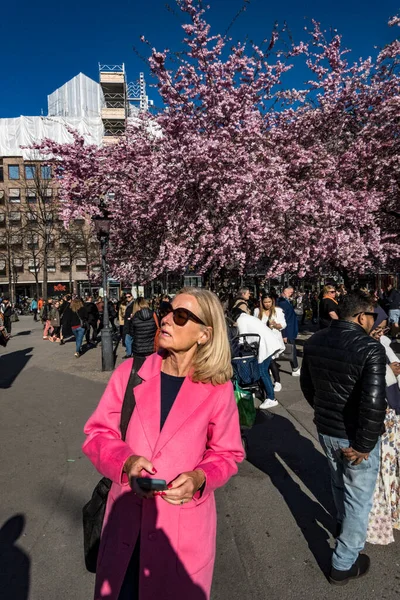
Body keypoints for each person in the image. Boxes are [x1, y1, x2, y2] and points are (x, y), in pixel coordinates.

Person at [82, 287, 244, 600]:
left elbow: (227, 453)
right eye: (167, 309)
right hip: (126, 526)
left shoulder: (217, 387)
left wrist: (199, 478)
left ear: (204, 334)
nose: (167, 319)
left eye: (180, 316)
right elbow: (98, 434)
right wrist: (126, 462)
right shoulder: (130, 373)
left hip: (182, 534)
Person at [300, 290, 387, 585]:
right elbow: (374, 402)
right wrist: (364, 443)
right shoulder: (370, 348)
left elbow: (308, 388)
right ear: (362, 316)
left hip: (327, 429)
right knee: (358, 499)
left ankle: (341, 527)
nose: (374, 321)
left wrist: (325, 414)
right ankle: (343, 562)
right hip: (355, 436)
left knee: (339, 482)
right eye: (372, 315)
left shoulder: (315, 341)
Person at [366, 326, 400, 545]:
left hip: (391, 414)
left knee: (390, 468)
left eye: (383, 328)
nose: (380, 332)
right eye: (376, 327)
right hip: (377, 416)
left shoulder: (385, 342)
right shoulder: (363, 347)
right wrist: (390, 371)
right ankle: (378, 522)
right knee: (377, 471)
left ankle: (392, 514)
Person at [234, 306, 282, 409]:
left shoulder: (240, 320)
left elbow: (242, 338)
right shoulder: (248, 317)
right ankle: (268, 395)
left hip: (266, 346)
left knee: (262, 372)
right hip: (269, 343)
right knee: (264, 371)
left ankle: (271, 398)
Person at [254, 293, 286, 392]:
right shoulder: (257, 311)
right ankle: (267, 382)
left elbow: (284, 324)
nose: (267, 304)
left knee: (271, 360)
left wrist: (276, 325)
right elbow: (255, 324)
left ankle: (277, 381)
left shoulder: (278, 310)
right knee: (266, 361)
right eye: (265, 302)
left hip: (274, 339)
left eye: (269, 302)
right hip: (263, 340)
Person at [276, 286, 301, 376]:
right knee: (291, 349)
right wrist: (284, 334)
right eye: (290, 292)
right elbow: (283, 319)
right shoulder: (282, 302)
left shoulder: (284, 301)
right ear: (285, 292)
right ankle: (295, 368)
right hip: (287, 329)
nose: (291, 294)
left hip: (290, 328)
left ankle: (295, 367)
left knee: (291, 348)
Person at [122, 293, 135, 359]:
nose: (127, 298)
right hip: (128, 323)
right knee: (130, 338)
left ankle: (129, 353)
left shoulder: (133, 304)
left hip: (130, 323)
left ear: (132, 296)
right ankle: (130, 352)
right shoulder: (129, 304)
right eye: (126, 297)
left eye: (129, 296)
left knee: (128, 339)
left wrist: (131, 317)